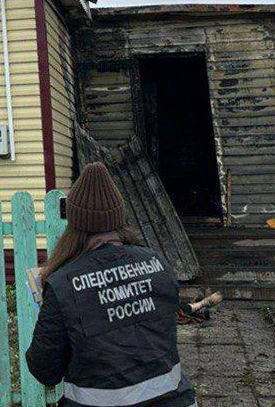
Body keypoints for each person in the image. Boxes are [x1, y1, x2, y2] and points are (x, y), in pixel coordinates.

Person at [26, 162, 196, 407]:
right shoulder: (157, 263)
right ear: (118, 218)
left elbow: (45, 369)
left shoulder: (64, 285)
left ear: (74, 223)